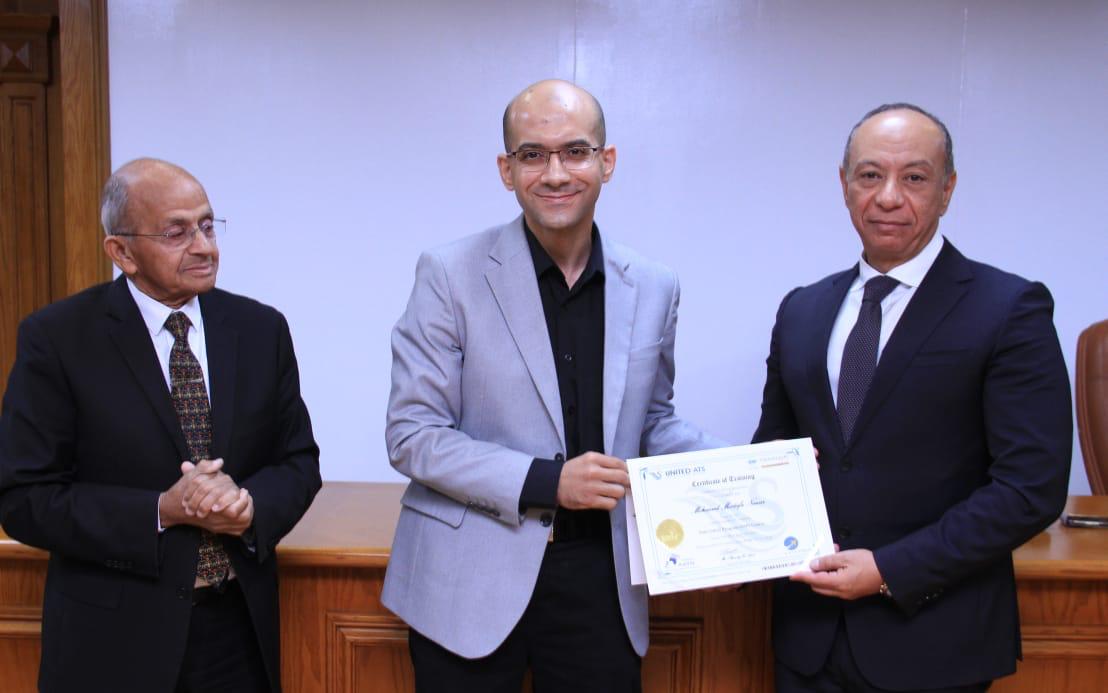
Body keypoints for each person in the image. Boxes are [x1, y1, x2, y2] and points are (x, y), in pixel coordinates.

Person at [382, 79, 725, 692]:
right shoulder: (448, 274)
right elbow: (413, 435)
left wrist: (751, 471)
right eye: (533, 155)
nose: (556, 173)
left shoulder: (655, 285)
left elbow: (653, 423)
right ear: (506, 170)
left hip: (600, 576)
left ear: (606, 161)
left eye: (575, 151)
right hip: (468, 578)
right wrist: (549, 481)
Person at [752, 103, 1072, 692]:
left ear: (947, 190)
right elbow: (772, 451)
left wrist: (888, 570)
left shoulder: (1008, 308)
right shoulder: (802, 309)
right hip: (807, 640)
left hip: (934, 642)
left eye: (915, 177)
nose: (888, 197)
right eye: (870, 175)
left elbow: (1031, 489)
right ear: (844, 184)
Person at [0, 158, 322, 692]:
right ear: (121, 252)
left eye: (207, 225)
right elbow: (23, 499)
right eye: (177, 233)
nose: (204, 246)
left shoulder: (260, 329)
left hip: (236, 633)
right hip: (113, 642)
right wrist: (160, 511)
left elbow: (298, 462)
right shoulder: (58, 339)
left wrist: (248, 507)